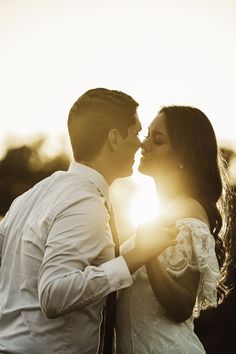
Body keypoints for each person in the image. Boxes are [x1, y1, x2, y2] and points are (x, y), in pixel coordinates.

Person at [0, 88, 176, 354]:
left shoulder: (27, 198)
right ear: (115, 139)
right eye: (137, 132)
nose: (141, 143)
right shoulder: (85, 203)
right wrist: (132, 259)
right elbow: (52, 294)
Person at [116, 105, 232, 353]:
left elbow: (182, 306)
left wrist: (149, 257)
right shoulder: (166, 210)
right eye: (147, 135)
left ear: (183, 157)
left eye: (157, 140)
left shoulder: (187, 213)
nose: (143, 145)